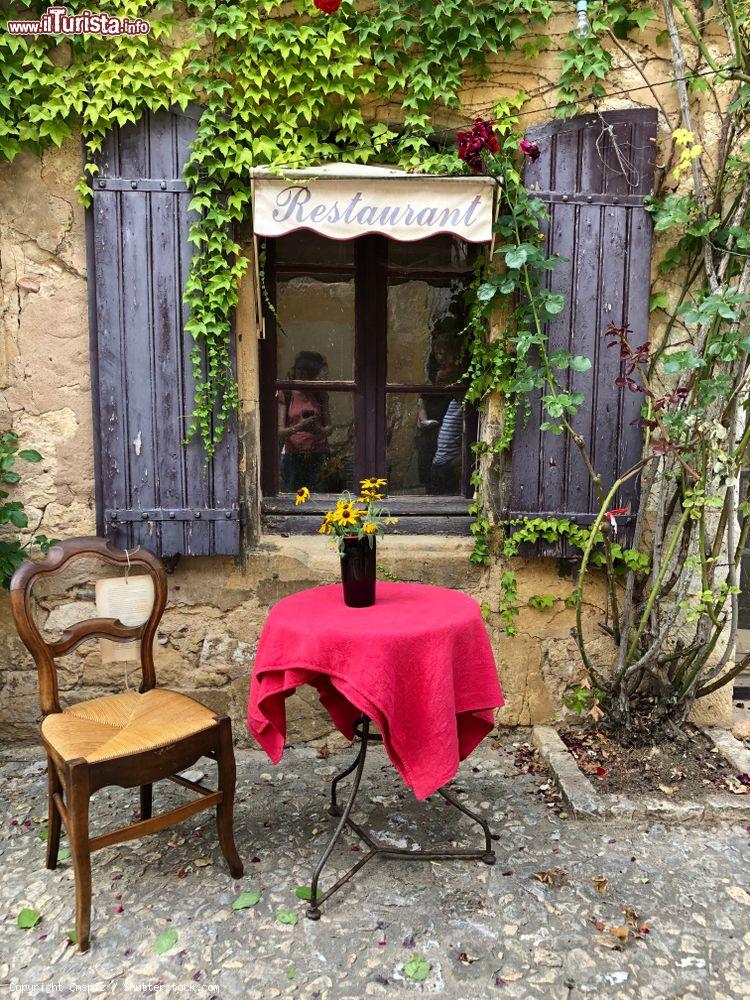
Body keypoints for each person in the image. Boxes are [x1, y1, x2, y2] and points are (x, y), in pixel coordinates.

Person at [277, 351, 332, 492]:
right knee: (293, 496)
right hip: (293, 455)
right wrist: (298, 427)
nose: (301, 375)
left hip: (318, 456)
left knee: (320, 497)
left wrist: (317, 430)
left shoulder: (320, 394)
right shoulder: (287, 393)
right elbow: (279, 432)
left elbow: (329, 429)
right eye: (299, 370)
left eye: (306, 372)